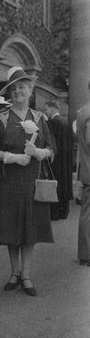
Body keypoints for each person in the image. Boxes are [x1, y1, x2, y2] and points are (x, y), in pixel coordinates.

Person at [0, 67, 55, 296]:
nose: (18, 91)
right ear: (9, 93)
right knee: (11, 229)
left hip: (32, 183)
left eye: (22, 87)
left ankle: (26, 274)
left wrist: (38, 153)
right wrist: (11, 157)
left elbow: (52, 149)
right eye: (13, 88)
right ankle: (14, 272)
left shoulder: (40, 119)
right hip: (7, 183)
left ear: (30, 90)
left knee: (29, 230)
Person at [45, 99, 73, 220]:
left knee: (54, 184)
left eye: (46, 109)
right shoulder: (66, 122)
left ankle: (54, 213)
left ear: (52, 108)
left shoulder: (52, 123)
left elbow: (49, 142)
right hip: (66, 159)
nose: (46, 112)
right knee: (64, 184)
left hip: (55, 160)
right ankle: (64, 212)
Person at [76, 82, 90, 266]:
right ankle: (86, 254)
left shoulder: (82, 111)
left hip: (87, 169)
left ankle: (85, 253)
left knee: (87, 213)